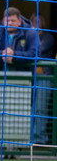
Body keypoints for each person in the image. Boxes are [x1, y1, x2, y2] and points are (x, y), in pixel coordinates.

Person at [31, 13, 54, 145]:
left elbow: (37, 51)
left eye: (39, 21)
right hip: (30, 76)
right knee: (26, 108)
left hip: (44, 76)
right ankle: (25, 136)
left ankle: (40, 138)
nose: (36, 23)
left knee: (40, 108)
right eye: (33, 21)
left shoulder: (48, 37)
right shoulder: (27, 36)